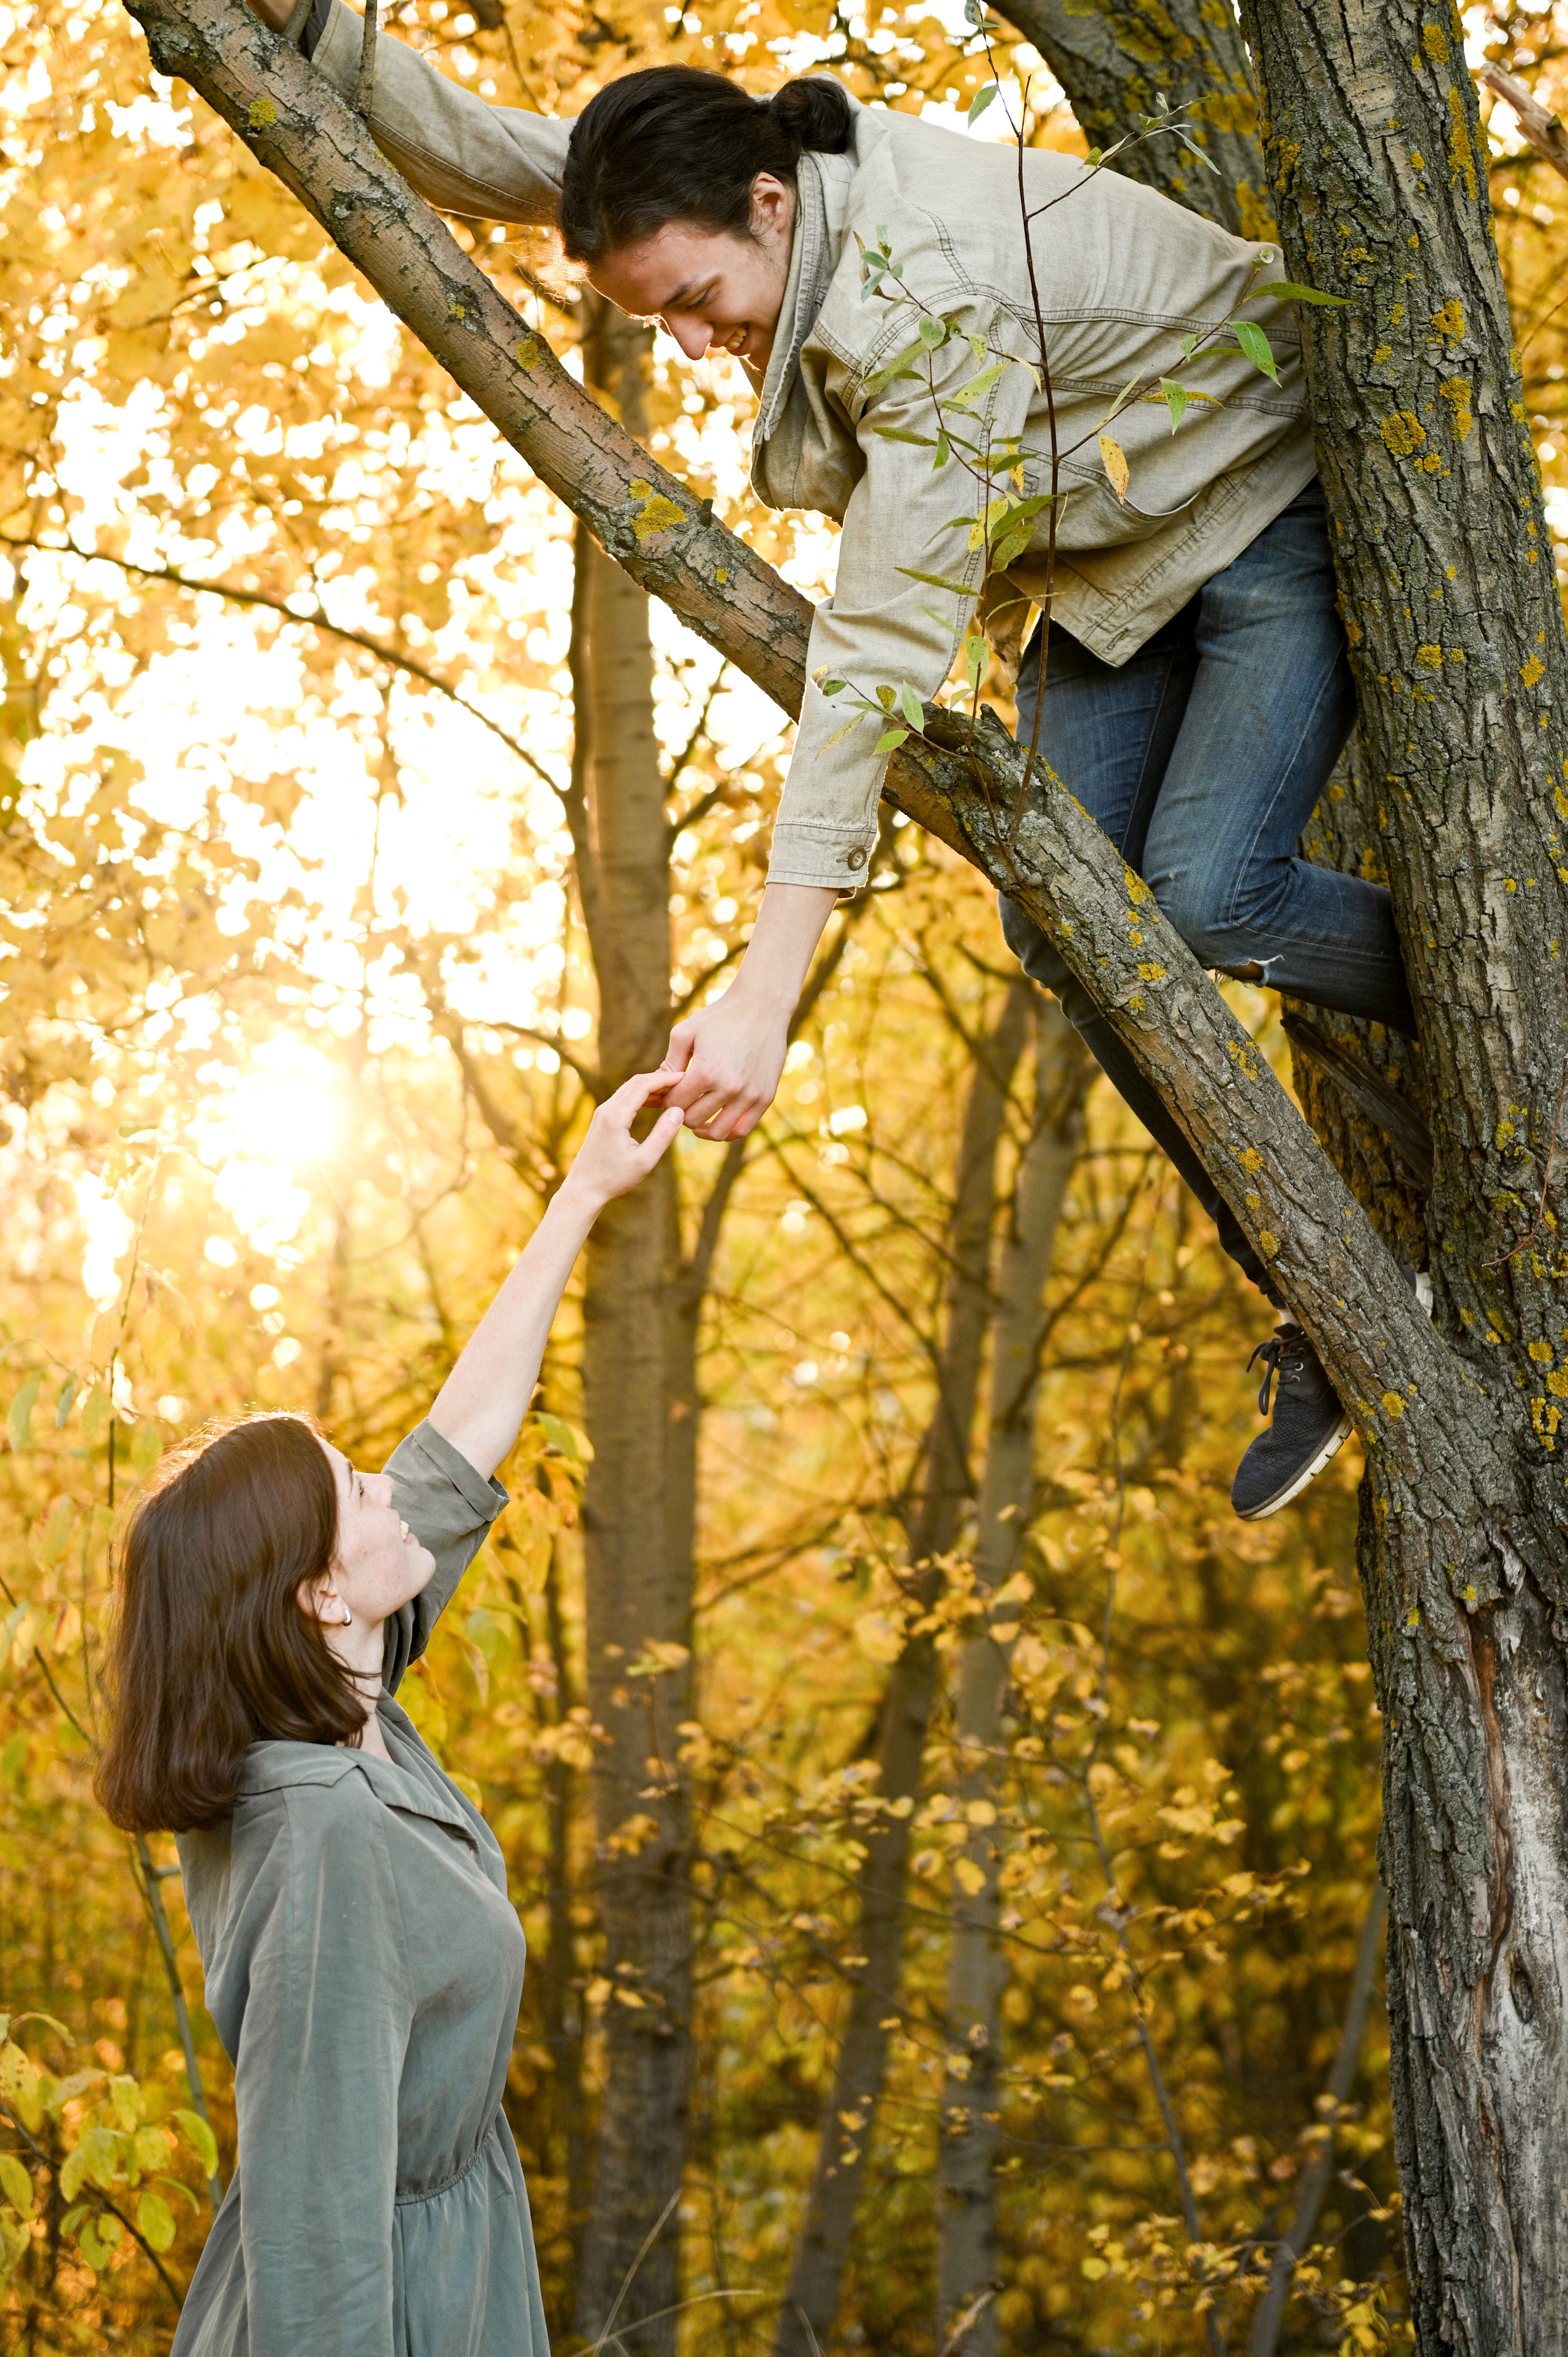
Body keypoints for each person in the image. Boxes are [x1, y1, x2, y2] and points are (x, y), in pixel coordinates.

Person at [244, 0, 1416, 1517]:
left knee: (1193, 894)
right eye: (652, 311)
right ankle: (1322, 1299)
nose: (683, 339)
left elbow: (872, 665)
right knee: (1076, 933)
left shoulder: (920, 311)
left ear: (771, 207)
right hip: (1093, 559)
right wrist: (313, 37)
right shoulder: (748, 178)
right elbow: (519, 156)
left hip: (1247, 502)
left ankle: (1506, 1001)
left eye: (694, 299)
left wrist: (762, 995)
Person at [96, 1073, 685, 2357]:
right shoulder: (324, 1845)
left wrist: (583, 1189)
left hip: (459, 2270)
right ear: (316, 1592)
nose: (391, 1495)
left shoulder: (338, 1702)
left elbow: (461, 1443)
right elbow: (314, 2247)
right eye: (358, 1490)